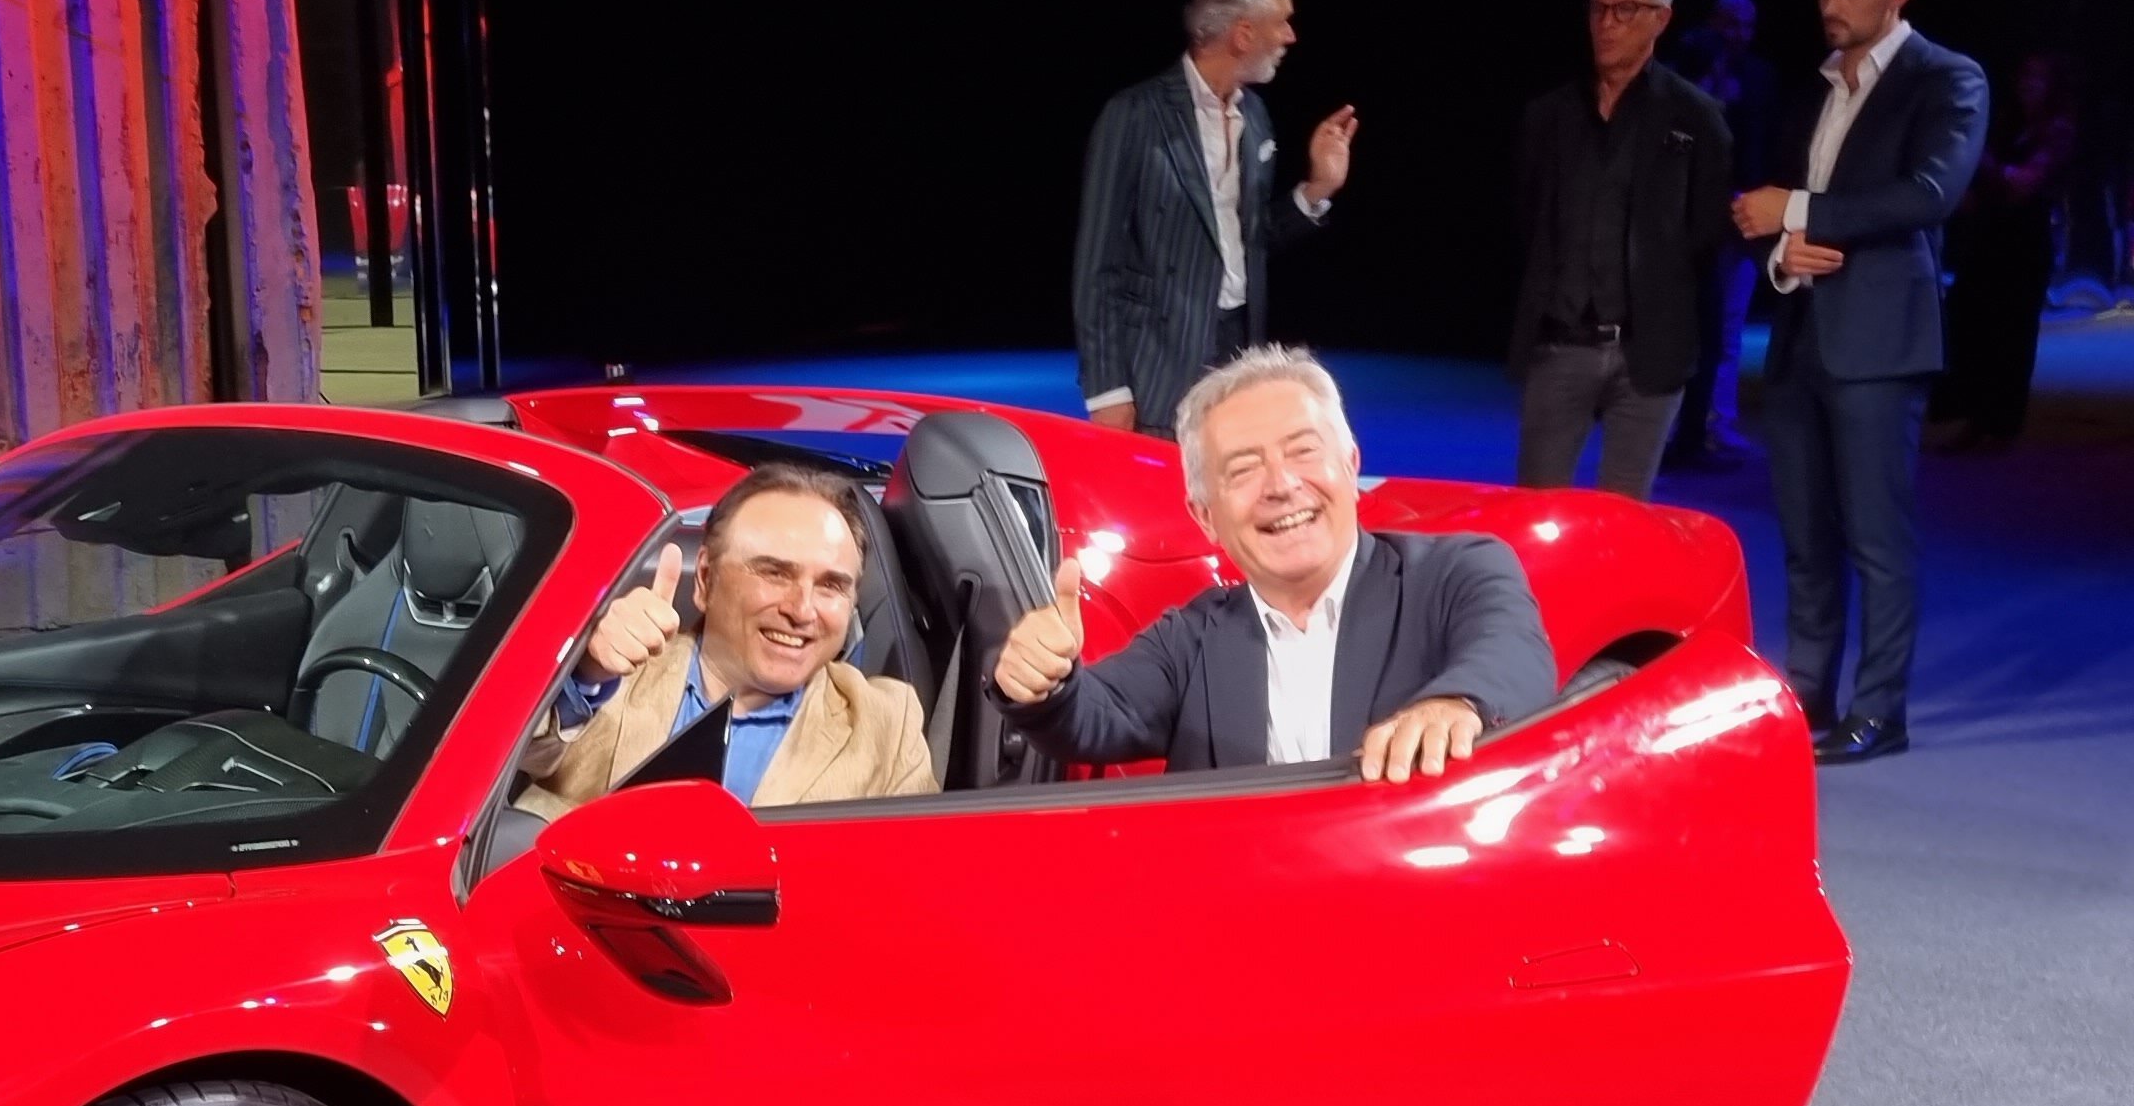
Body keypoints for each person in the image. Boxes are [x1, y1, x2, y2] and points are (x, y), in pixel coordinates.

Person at [990, 346, 1556, 779]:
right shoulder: (1191, 639)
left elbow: (1514, 657)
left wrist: (1453, 704)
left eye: (1303, 451)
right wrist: (1042, 681)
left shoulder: (1457, 574)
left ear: (1351, 466)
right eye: (1243, 470)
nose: (1282, 485)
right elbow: (1092, 715)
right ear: (1206, 515)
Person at [1734, 0, 1988, 766]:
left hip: (1881, 344)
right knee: (1805, 531)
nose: (1832, 5)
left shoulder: (1946, 79)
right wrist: (1784, 254)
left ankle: (1881, 710)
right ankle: (1807, 691)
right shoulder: (1818, 85)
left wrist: (1795, 212)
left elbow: (1928, 194)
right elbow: (1786, 224)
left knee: (1878, 538)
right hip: (1803, 330)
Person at [519, 463, 937, 815]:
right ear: (705, 579)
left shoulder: (886, 723)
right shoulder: (615, 674)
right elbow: (517, 759)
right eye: (775, 573)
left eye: (831, 585)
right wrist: (585, 672)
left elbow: (918, 880)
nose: (802, 610)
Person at [1072, 0, 1359, 437]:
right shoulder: (1135, 116)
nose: (1290, 37)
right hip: (1158, 369)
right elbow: (1097, 265)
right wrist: (1108, 392)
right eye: (1282, 22)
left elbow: (1252, 236)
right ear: (1243, 34)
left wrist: (1316, 189)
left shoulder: (1257, 117)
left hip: (1238, 351)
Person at [1511, 0, 1735, 495]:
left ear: (1661, 19)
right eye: (1599, 9)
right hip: (1561, 345)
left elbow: (1710, 234)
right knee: (1536, 518)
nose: (1607, 23)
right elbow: (1524, 219)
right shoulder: (1549, 116)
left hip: (1648, 356)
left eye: (1626, 9)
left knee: (1624, 523)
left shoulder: (1696, 118)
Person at [1937, 49, 2079, 448]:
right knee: (1973, 324)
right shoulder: (2006, 125)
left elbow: (2022, 184)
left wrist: (1976, 158)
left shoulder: (2058, 130)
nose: (2027, 86)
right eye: (2024, 77)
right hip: (1989, 240)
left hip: (2025, 244)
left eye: (2038, 79)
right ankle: (1972, 418)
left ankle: (1999, 426)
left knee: (2011, 335)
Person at [1665, 0, 1780, 467]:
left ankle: (1719, 421)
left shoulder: (1759, 77)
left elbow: (1766, 144)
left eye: (1748, 26)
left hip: (1742, 216)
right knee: (1683, 325)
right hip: (1686, 219)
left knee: (1730, 325)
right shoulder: (1682, 73)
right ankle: (1676, 424)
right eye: (1730, 23)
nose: (1738, 35)